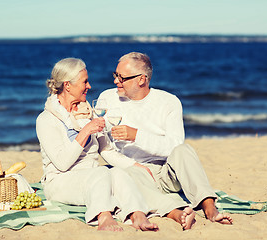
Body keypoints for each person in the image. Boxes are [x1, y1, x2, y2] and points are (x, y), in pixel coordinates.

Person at [98, 52, 233, 225]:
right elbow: (104, 147)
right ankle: (178, 212)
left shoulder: (169, 102)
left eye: (122, 78)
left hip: (166, 173)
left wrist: (136, 135)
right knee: (123, 176)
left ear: (141, 79)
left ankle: (210, 208)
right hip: (132, 171)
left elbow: (174, 146)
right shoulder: (107, 98)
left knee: (184, 150)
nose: (116, 81)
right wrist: (133, 165)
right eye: (115, 75)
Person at [36, 57, 159, 232]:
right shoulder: (46, 120)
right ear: (67, 85)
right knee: (102, 172)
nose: (89, 86)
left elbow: (106, 151)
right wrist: (85, 131)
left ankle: (137, 214)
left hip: (92, 176)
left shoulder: (87, 113)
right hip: (60, 181)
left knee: (118, 173)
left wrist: (135, 165)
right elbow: (62, 163)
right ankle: (104, 217)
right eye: (84, 82)